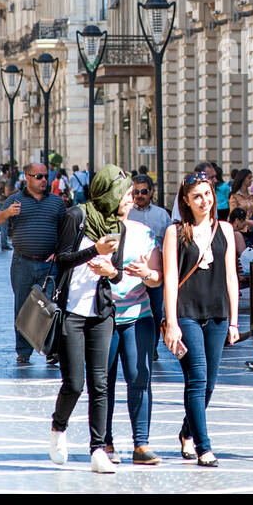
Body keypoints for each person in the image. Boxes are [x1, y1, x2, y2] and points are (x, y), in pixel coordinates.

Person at [47, 165, 131, 473]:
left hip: (101, 313)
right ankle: (58, 428)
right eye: (125, 194)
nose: (130, 200)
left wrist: (112, 272)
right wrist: (94, 250)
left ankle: (98, 449)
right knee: (74, 383)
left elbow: (118, 273)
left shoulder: (120, 228)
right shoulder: (77, 216)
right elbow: (63, 260)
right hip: (71, 312)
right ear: (109, 193)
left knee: (100, 384)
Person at [161, 172, 239, 467]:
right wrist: (171, 322)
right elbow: (170, 279)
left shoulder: (227, 230)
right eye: (197, 196)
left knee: (209, 383)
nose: (204, 201)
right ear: (186, 201)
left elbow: (231, 276)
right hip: (187, 313)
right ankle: (203, 447)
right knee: (196, 378)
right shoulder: (175, 232)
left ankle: (186, 432)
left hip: (217, 312)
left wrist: (233, 320)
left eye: (208, 194)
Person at [0, 163, 82, 366]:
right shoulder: (15, 200)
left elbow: (65, 231)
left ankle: (51, 349)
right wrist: (7, 213)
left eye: (46, 176)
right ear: (27, 177)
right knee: (22, 307)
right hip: (22, 263)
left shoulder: (56, 203)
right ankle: (23, 352)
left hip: (48, 266)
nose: (44, 180)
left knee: (50, 307)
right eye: (39, 176)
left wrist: (58, 253)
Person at [105, 185, 165, 467]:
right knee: (102, 382)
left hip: (138, 315)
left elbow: (156, 277)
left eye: (129, 195)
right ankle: (104, 441)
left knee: (139, 379)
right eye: (122, 194)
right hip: (101, 317)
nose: (127, 200)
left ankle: (141, 443)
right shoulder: (93, 231)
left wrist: (148, 274)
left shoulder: (143, 232)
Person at [127, 173, 172, 330]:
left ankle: (152, 349)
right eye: (136, 192)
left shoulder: (161, 215)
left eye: (144, 192)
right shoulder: (128, 213)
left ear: (151, 192)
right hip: (131, 272)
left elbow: (169, 242)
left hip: (155, 272)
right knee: (134, 314)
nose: (140, 195)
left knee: (155, 312)